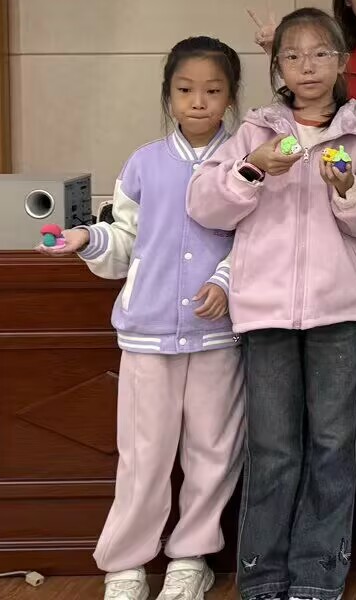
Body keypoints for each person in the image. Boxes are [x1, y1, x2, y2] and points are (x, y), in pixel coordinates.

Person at [187, 8, 356, 600]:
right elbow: (205, 206)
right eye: (294, 56)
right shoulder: (255, 131)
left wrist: (348, 190)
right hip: (266, 311)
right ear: (277, 67)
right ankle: (262, 575)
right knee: (273, 448)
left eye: (321, 53)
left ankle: (318, 575)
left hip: (341, 311)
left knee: (334, 446)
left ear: (341, 61)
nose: (308, 66)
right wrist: (252, 169)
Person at [41, 37, 245, 600]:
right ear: (168, 96)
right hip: (147, 333)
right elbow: (125, 238)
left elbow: (256, 240)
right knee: (143, 454)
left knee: (213, 451)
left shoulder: (243, 161)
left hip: (218, 336)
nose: (198, 101)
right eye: (185, 90)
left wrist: (226, 281)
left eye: (213, 90)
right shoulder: (144, 163)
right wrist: (87, 239)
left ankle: (191, 557)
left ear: (231, 97)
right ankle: (127, 563)